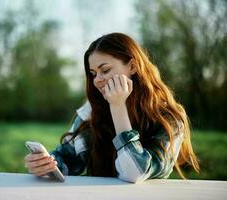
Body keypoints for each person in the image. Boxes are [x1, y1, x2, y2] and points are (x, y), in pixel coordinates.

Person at [24, 32, 199, 183]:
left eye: (105, 70)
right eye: (93, 74)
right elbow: (68, 159)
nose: (97, 80)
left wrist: (118, 107)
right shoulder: (92, 112)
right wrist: (46, 164)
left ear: (132, 66)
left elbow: (135, 173)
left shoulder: (169, 118)